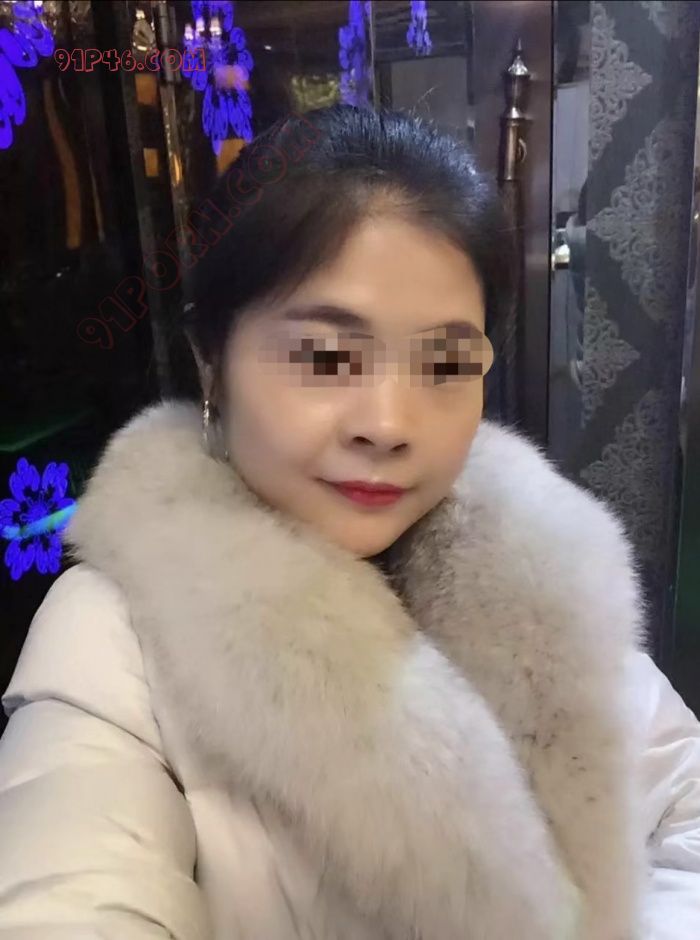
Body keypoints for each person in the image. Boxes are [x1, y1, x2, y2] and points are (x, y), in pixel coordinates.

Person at [0, 105, 699, 940]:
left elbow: (682, 807)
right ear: (210, 362)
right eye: (327, 358)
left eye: (446, 362)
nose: (390, 424)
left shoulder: (538, 566)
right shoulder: (112, 637)